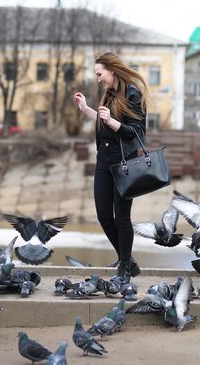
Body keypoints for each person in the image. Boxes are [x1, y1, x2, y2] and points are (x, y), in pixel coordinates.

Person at [73, 52, 148, 285]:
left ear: (112, 71)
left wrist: (112, 121)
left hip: (124, 162)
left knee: (122, 218)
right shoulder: (110, 94)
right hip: (104, 159)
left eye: (99, 74)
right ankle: (128, 261)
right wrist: (87, 109)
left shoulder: (133, 93)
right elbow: (105, 123)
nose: (98, 79)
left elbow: (136, 132)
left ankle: (125, 267)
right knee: (104, 216)